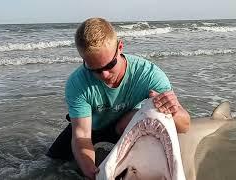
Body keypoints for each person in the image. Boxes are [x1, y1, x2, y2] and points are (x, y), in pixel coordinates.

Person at [46, 17, 191, 180]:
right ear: (83, 59)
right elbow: (82, 136)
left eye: (109, 65)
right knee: (51, 164)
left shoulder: (148, 75)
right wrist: (91, 171)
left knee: (153, 109)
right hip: (90, 127)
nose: (104, 75)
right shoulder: (77, 83)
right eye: (95, 70)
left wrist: (173, 109)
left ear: (120, 47)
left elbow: (184, 125)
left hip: (123, 128)